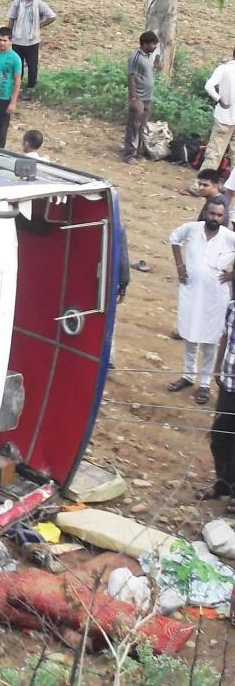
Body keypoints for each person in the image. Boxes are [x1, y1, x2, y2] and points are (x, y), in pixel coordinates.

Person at [169, 199, 235, 405]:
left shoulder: (228, 237)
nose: (215, 218)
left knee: (210, 340)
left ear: (223, 217)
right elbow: (174, 238)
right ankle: (188, 376)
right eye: (212, 214)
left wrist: (232, 275)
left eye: (219, 216)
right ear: (205, 212)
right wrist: (179, 264)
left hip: (216, 296)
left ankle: (204, 383)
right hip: (191, 291)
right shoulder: (191, 229)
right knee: (189, 334)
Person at [203, 294, 235, 509]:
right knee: (220, 436)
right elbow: (225, 337)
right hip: (229, 384)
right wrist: (217, 367)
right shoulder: (232, 308)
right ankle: (223, 483)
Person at [6, 0, 56, 91]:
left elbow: (52, 16)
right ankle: (16, 88)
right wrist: (9, 36)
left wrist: (39, 26)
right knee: (17, 66)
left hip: (32, 41)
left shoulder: (39, 4)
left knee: (32, 67)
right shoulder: (17, 2)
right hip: (17, 40)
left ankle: (30, 88)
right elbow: (11, 19)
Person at [123, 30, 160, 163]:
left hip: (147, 97)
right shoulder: (136, 57)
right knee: (133, 125)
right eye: (153, 44)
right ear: (145, 44)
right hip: (138, 97)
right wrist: (133, 98)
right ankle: (129, 155)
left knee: (142, 126)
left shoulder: (147, 57)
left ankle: (138, 152)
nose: (155, 47)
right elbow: (131, 78)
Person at [201, 47, 235, 173]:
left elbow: (209, 86)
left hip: (224, 117)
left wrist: (219, 99)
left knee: (214, 154)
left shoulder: (225, 68)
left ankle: (202, 185)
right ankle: (231, 190)